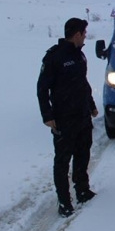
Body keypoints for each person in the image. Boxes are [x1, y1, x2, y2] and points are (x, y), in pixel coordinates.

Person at [37, 17, 99, 218]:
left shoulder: (80, 56)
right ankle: (64, 201)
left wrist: (90, 105)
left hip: (81, 115)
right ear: (77, 34)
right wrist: (48, 116)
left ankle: (82, 190)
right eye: (84, 34)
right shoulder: (54, 57)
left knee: (83, 153)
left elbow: (83, 83)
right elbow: (42, 88)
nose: (86, 38)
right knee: (63, 161)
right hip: (64, 118)